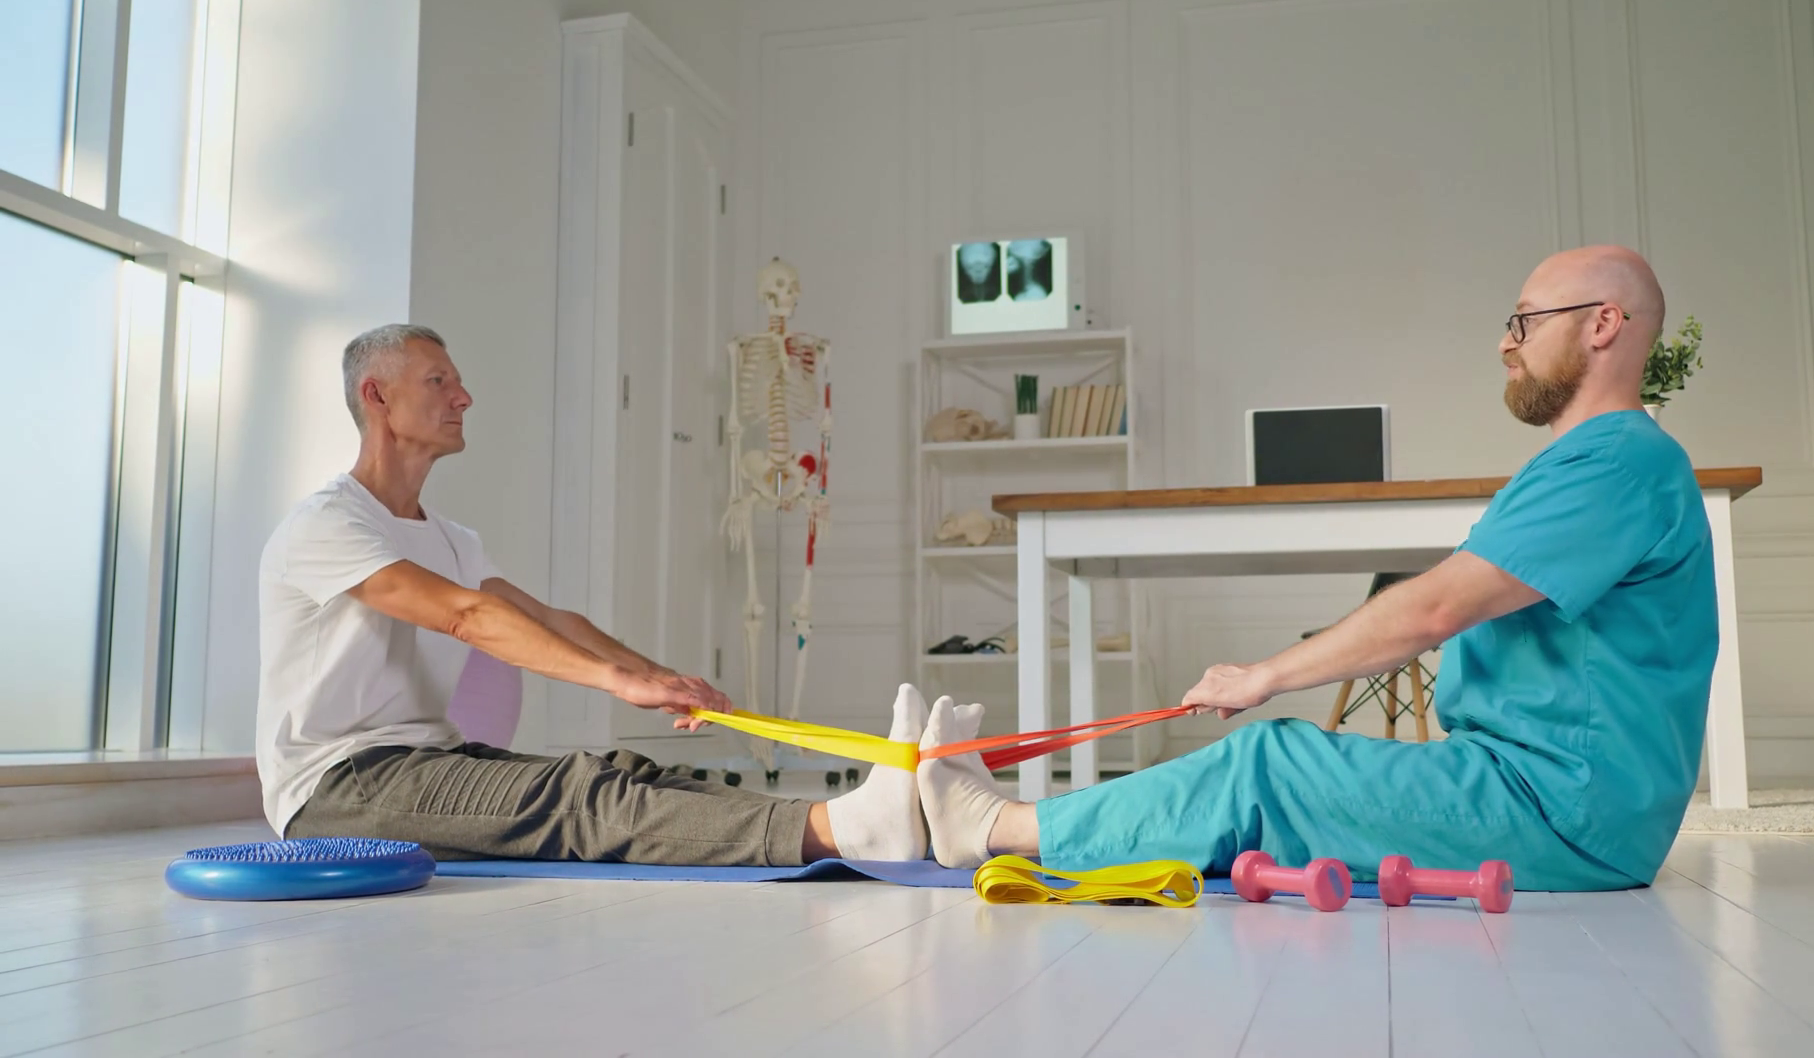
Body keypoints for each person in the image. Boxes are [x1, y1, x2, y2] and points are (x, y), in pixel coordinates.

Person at [916, 244, 1718, 892]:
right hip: (1539, 789)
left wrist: (1262, 676)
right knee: (1278, 773)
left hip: (1561, 809)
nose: (1505, 342)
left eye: (1526, 321)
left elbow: (1435, 610)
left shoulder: (1617, 464)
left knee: (1266, 766)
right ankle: (1010, 820)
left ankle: (991, 829)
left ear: (1603, 323)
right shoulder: (1600, 461)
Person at [257, 324, 944, 865]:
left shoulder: (451, 539)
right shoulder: (329, 523)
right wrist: (617, 682)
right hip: (337, 789)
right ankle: (848, 832)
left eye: (459, 383)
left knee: (621, 771)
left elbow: (547, 617)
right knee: (579, 799)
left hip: (427, 760)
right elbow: (468, 617)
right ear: (376, 397)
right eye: (439, 381)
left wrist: (657, 676)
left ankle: (885, 816)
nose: (464, 398)